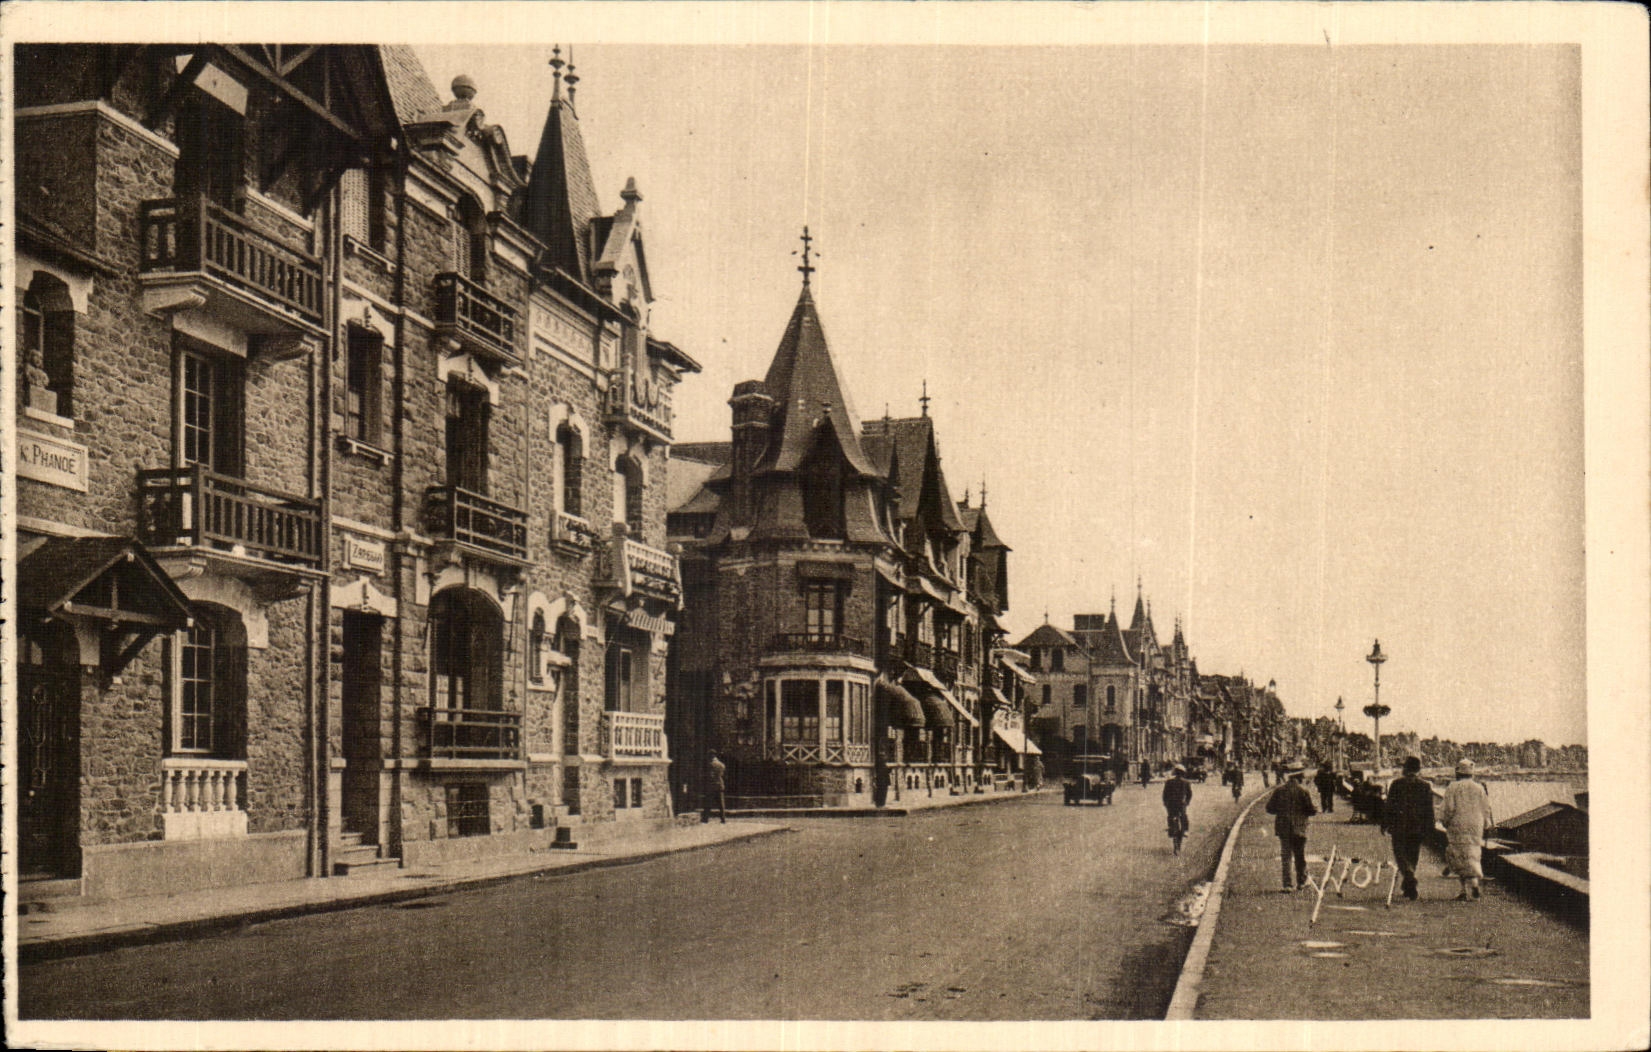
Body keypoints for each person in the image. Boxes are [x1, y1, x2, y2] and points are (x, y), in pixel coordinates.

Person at [1381, 755, 1436, 900]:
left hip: (1399, 827)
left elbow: (1389, 806)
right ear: (1418, 770)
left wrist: (1385, 823)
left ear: (1405, 769)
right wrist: (1429, 828)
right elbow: (1429, 810)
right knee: (1413, 855)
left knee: (1400, 855)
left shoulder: (1396, 784)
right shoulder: (1425, 786)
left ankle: (1409, 876)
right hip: (1417, 828)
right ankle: (1409, 882)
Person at [1438, 758, 1494, 900]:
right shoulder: (1479, 788)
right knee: (1473, 853)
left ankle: (1463, 890)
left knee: (1458, 855)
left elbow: (1448, 808)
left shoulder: (1453, 787)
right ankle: (1474, 882)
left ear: (1458, 773)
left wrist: (1445, 821)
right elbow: (1486, 808)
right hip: (1476, 825)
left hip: (1458, 824)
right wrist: (1487, 824)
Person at [1264, 762, 1317, 891]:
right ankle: (1301, 882)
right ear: (1300, 776)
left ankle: (1287, 884)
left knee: (1286, 856)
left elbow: (1269, 808)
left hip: (1284, 827)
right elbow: (1311, 810)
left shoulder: (1279, 790)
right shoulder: (1303, 791)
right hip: (1299, 827)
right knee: (1300, 855)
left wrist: (1281, 811)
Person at [1162, 764, 1193, 853]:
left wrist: (1165, 803)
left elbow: (1165, 794)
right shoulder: (1186, 782)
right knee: (1184, 817)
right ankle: (1185, 830)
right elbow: (1189, 795)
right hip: (1181, 805)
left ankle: (1171, 828)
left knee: (1171, 817)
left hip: (1171, 805)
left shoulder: (1169, 782)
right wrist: (1187, 802)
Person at [701, 752, 727, 824]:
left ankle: (705, 819)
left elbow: (710, 775)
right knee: (721, 804)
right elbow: (723, 774)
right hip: (720, 785)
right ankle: (723, 819)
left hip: (712, 785)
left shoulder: (710, 764)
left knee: (708, 803)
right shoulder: (721, 764)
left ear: (711, 755)